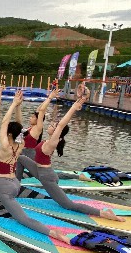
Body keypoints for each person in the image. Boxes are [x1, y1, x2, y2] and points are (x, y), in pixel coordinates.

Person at [0, 91, 72, 244]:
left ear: (9, 134)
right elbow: (15, 127)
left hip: (5, 188)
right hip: (15, 184)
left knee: (22, 219)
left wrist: (13, 104)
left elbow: (5, 122)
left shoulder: (5, 146)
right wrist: (17, 105)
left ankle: (52, 232)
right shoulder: (20, 145)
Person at [17, 86, 125, 222]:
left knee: (68, 205)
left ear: (58, 133)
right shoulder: (46, 139)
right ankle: (16, 186)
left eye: (54, 125)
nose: (51, 125)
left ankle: (104, 213)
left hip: (47, 177)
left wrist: (75, 106)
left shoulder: (51, 143)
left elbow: (62, 124)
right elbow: (47, 116)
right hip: (40, 170)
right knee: (20, 158)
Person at [15, 88, 59, 180]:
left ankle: (76, 176)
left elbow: (41, 111)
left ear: (37, 119)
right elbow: (18, 122)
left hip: (30, 154)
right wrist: (17, 105)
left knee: (43, 174)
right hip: (21, 152)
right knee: (18, 170)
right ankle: (17, 182)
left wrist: (50, 98)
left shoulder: (38, 129)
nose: (30, 118)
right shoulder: (28, 128)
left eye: (32, 117)